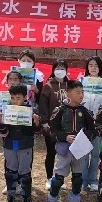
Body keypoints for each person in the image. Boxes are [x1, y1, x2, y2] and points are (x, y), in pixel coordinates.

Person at [41, 80, 96, 202]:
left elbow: (92, 129)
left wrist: (84, 137)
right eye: (78, 92)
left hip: (79, 150)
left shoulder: (85, 111)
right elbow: (52, 130)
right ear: (69, 94)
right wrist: (64, 137)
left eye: (82, 92)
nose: (81, 95)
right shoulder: (60, 110)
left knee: (77, 178)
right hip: (64, 149)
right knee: (58, 179)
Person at [0, 84, 40, 202]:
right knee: (10, 172)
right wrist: (1, 122)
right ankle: (10, 199)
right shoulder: (6, 110)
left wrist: (36, 122)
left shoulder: (30, 110)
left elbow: (36, 131)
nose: (15, 101)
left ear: (25, 97)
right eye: (12, 98)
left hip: (25, 144)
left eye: (18, 98)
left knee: (25, 173)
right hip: (10, 144)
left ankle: (27, 198)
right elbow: (2, 131)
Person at [79, 56, 102, 193]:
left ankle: (93, 179)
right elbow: (76, 99)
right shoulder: (81, 81)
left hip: (98, 122)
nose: (93, 68)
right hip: (83, 121)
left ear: (100, 68)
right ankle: (83, 180)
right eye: (90, 65)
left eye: (96, 65)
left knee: (96, 153)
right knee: (83, 153)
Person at [39, 60, 70, 190]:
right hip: (51, 126)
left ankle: (59, 178)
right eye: (58, 68)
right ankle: (49, 178)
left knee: (63, 153)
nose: (60, 70)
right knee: (51, 152)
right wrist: (45, 122)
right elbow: (43, 105)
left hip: (66, 126)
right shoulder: (48, 86)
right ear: (53, 70)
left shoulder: (70, 85)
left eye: (63, 68)